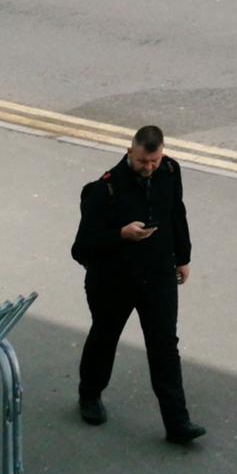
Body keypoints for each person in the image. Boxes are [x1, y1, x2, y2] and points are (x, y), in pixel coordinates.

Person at [72, 125, 204, 444]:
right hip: (113, 280)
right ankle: (89, 394)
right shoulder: (103, 191)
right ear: (130, 152)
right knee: (105, 336)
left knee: (164, 347)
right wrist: (121, 234)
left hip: (157, 277)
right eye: (144, 161)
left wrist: (182, 258)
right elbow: (81, 248)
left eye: (154, 161)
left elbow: (177, 214)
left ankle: (177, 423)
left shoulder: (170, 171)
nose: (149, 168)